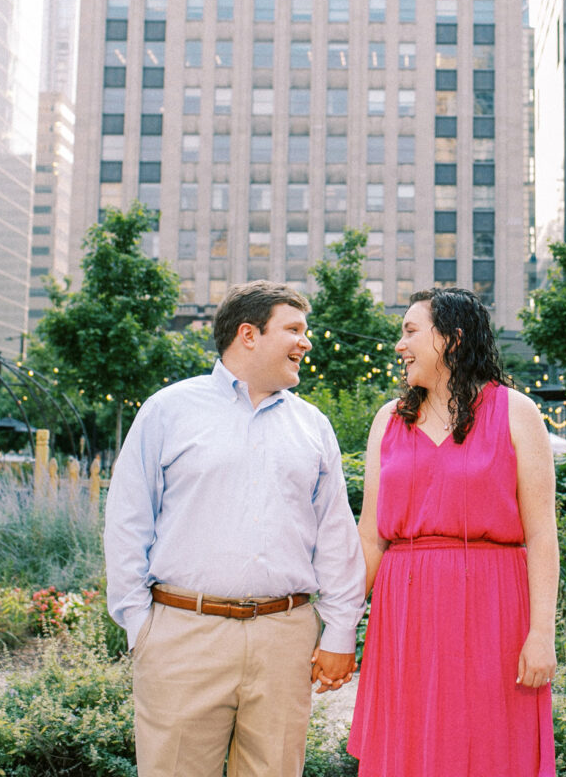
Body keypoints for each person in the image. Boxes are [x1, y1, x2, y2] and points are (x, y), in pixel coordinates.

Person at [104, 281, 365, 777]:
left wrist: (339, 631)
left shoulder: (313, 426)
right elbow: (126, 522)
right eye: (293, 329)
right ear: (248, 334)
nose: (305, 342)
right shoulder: (167, 411)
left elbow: (336, 537)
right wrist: (143, 628)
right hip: (182, 635)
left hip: (285, 639)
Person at [348, 287, 559, 776]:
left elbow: (543, 537)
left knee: (490, 744)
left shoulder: (516, 412)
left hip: (494, 611)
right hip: (404, 613)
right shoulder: (388, 421)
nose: (399, 345)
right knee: (408, 744)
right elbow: (370, 537)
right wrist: (338, 626)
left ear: (452, 339)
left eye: (410, 331)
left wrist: (541, 634)